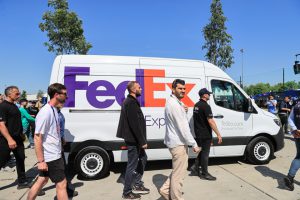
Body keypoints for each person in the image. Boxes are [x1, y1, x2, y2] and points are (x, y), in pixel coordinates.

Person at [159, 79, 201, 200]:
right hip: (178, 144)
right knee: (179, 176)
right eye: (180, 88)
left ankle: (165, 190)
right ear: (173, 89)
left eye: (184, 88)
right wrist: (194, 144)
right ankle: (176, 197)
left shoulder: (174, 103)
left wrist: (184, 108)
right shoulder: (174, 105)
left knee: (177, 171)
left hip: (175, 142)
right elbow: (183, 128)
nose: (183, 91)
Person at [27, 83, 68, 200]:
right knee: (62, 184)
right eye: (64, 94)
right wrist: (41, 161)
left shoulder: (53, 109)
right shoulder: (45, 112)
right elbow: (37, 137)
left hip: (55, 152)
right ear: (56, 95)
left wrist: (60, 138)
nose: (67, 96)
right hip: (51, 155)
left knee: (42, 180)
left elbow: (52, 130)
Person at [116, 81, 149, 200]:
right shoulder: (130, 102)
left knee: (143, 159)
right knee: (132, 165)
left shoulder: (131, 101)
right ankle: (127, 192)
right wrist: (142, 141)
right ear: (133, 90)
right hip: (134, 140)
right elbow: (134, 124)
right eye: (139, 87)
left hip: (135, 139)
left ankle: (137, 183)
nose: (141, 89)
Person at [0, 86, 29, 189]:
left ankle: (22, 182)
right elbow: (1, 125)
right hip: (6, 139)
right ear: (9, 94)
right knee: (2, 161)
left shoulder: (15, 106)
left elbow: (16, 122)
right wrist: (9, 139)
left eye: (19, 93)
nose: (19, 95)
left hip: (18, 138)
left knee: (20, 159)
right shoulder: (3, 106)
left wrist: (21, 134)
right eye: (16, 93)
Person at [190, 88, 222, 181]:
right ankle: (204, 173)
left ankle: (195, 167)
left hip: (198, 133)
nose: (209, 95)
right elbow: (211, 121)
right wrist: (218, 134)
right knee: (205, 154)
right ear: (204, 95)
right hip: (205, 134)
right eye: (208, 94)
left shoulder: (196, 105)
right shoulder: (205, 106)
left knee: (201, 151)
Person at [57, 104, 78, 197]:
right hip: (53, 147)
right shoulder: (52, 114)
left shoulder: (59, 113)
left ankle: (66, 190)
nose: (64, 102)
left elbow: (60, 129)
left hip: (58, 144)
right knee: (60, 171)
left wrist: (62, 138)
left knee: (62, 170)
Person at [283, 101, 300, 191]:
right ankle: (290, 177)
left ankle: (290, 177)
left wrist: (295, 130)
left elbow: (290, 119)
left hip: (298, 135)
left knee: (299, 156)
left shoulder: (297, 105)